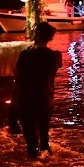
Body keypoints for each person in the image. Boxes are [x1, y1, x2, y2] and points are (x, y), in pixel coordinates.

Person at [14, 21, 63, 159]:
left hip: (27, 99)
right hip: (46, 98)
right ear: (50, 38)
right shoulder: (55, 56)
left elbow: (17, 75)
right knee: (44, 134)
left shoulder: (25, 55)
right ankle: (47, 160)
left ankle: (33, 160)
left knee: (30, 136)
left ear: (37, 35)